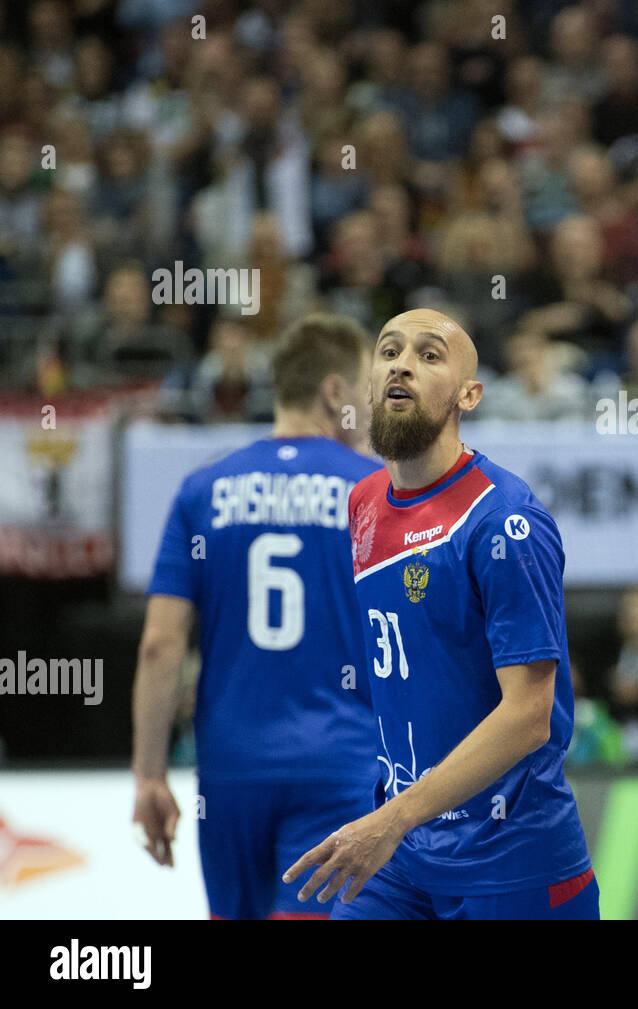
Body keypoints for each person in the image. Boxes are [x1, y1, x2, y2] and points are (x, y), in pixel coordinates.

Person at [284, 308, 598, 920]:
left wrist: (389, 820)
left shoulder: (504, 521)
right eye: (389, 351)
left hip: (510, 858)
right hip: (405, 851)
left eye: (429, 355)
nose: (402, 363)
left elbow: (529, 716)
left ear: (468, 395)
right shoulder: (364, 502)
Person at [131, 313, 381, 919]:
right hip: (339, 765)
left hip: (230, 770)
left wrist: (148, 776)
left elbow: (160, 648)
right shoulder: (374, 490)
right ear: (333, 392)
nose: (374, 409)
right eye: (367, 390)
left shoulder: (202, 490)